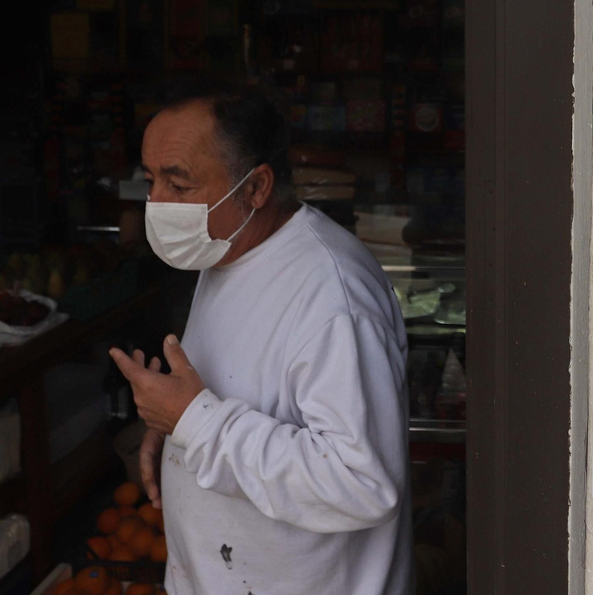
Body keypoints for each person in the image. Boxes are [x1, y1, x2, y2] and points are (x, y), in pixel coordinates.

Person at [109, 86, 413, 595]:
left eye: (178, 185)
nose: (156, 204)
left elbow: (362, 483)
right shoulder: (226, 249)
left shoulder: (332, 298)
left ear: (255, 188)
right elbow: (237, 396)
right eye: (150, 181)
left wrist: (195, 423)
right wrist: (175, 427)